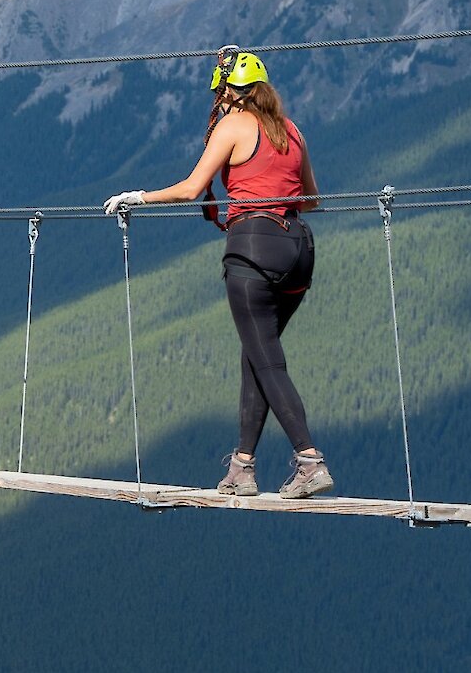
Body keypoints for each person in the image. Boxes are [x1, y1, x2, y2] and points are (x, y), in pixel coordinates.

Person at [102, 46, 331, 499]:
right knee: (258, 353)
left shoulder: (231, 125)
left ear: (230, 92)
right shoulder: (291, 131)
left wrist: (138, 197)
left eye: (220, 94)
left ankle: (309, 460)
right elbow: (311, 200)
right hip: (298, 251)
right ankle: (243, 466)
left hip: (252, 251)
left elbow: (191, 189)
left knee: (265, 358)